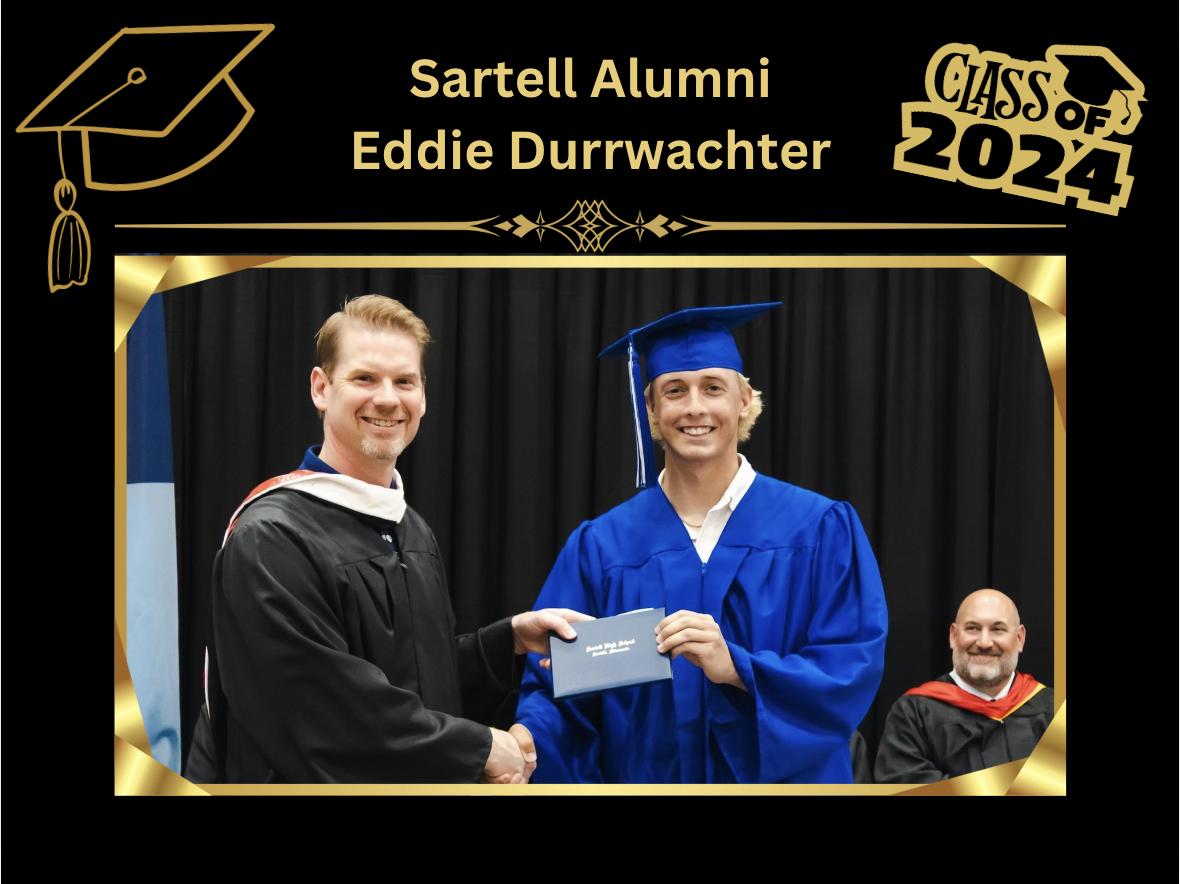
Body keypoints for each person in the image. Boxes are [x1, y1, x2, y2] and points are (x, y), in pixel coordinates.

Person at [205, 295, 589, 784]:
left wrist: (508, 641)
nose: (387, 398)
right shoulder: (272, 538)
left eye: (404, 381)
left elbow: (417, 680)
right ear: (321, 389)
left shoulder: (410, 528)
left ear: (423, 395)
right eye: (364, 378)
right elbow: (330, 718)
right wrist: (481, 748)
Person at [513, 303, 888, 783]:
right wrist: (527, 740)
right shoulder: (602, 546)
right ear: (651, 408)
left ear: (745, 400)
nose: (694, 407)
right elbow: (557, 683)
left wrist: (738, 668)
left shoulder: (818, 528)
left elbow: (849, 664)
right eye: (674, 390)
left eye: (713, 387)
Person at [874, 588, 1055, 784]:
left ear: (1019, 639)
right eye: (972, 628)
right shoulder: (913, 714)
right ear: (953, 636)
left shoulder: (1054, 709)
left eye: (997, 629)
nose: (984, 642)